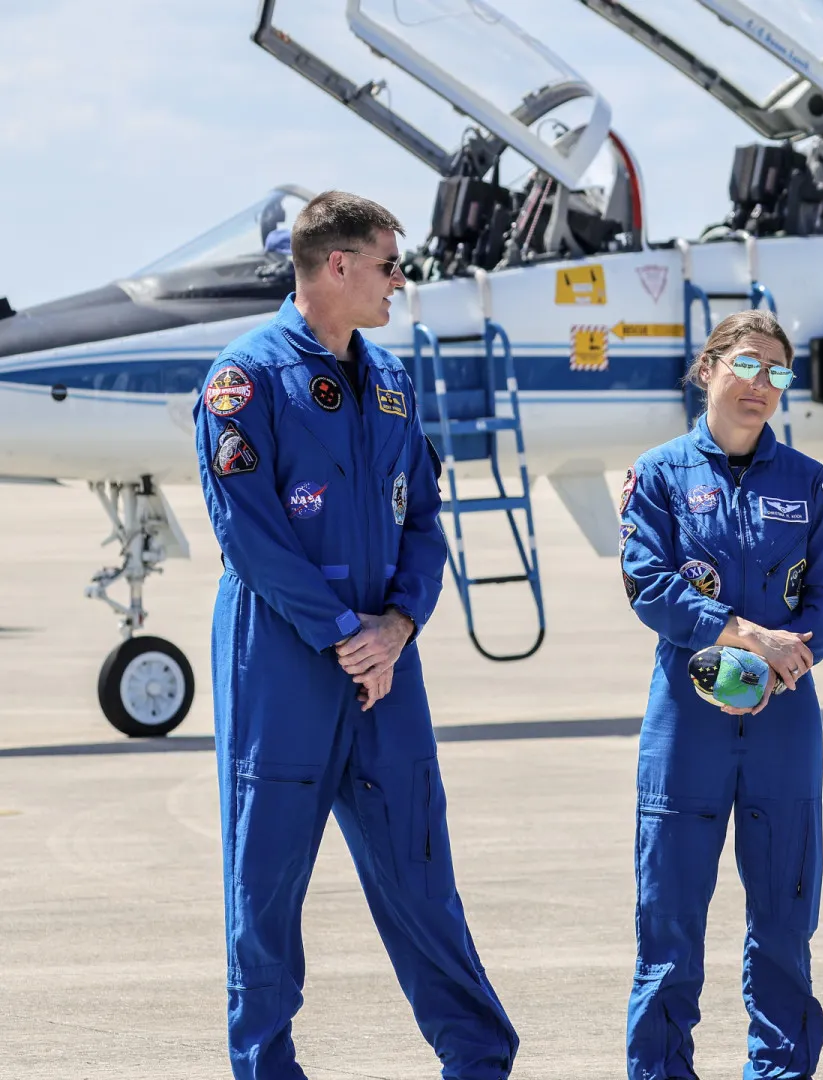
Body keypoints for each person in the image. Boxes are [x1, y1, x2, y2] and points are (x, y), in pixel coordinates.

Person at [194, 191, 517, 1079]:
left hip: (386, 666)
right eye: (388, 264)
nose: (399, 283)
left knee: (421, 873)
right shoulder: (243, 380)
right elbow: (250, 535)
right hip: (283, 666)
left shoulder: (389, 382)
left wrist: (400, 623)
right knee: (263, 892)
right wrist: (347, 635)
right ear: (336, 265)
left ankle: (480, 1062)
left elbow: (423, 518)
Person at [619, 310, 823, 1080]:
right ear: (709, 369)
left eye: (780, 374)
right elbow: (649, 585)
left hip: (785, 722)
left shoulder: (811, 483)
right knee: (669, 926)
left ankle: (780, 1071)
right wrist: (747, 639)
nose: (764, 387)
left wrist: (787, 663)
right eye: (749, 366)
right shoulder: (658, 474)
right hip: (687, 726)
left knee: (785, 921)